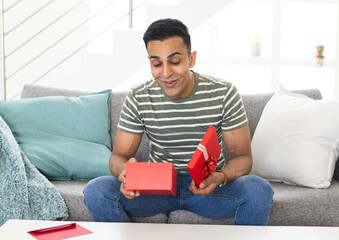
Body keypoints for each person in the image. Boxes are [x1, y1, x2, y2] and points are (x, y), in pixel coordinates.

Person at [84, 18, 273, 225]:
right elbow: (118, 157)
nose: (166, 73)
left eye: (174, 62)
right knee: (97, 190)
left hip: (209, 190)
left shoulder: (224, 93)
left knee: (258, 189)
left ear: (191, 59)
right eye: (156, 63)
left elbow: (243, 158)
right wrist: (125, 173)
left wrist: (220, 176)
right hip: (156, 189)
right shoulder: (139, 97)